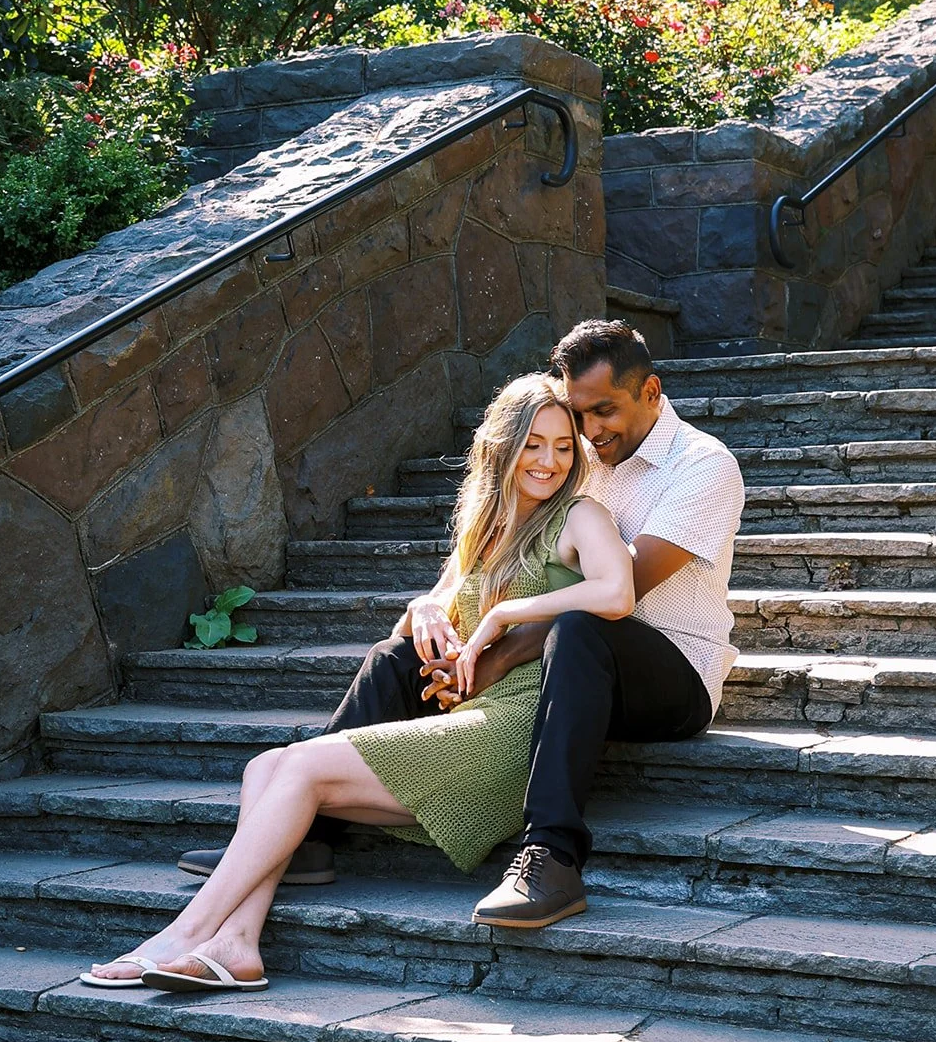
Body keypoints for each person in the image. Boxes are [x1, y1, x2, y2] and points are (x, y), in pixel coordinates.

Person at [180, 317, 746, 931]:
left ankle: (552, 858)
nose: (587, 432)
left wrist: (494, 653)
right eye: (579, 413)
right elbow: (493, 556)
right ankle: (309, 835)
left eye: (603, 412)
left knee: (580, 630)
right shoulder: (576, 449)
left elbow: (619, 595)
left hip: (668, 672)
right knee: (397, 655)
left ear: (652, 392)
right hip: (564, 662)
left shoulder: (701, 466)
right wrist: (433, 615)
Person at [84, 372, 635, 992]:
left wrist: (507, 614)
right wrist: (423, 607)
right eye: (535, 444)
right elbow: (436, 606)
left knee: (296, 770)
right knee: (265, 766)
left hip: (521, 730)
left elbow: (617, 593)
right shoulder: (486, 528)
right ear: (503, 447)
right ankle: (237, 944)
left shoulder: (580, 516)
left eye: (564, 447)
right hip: (467, 721)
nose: (550, 461)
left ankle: (183, 933)